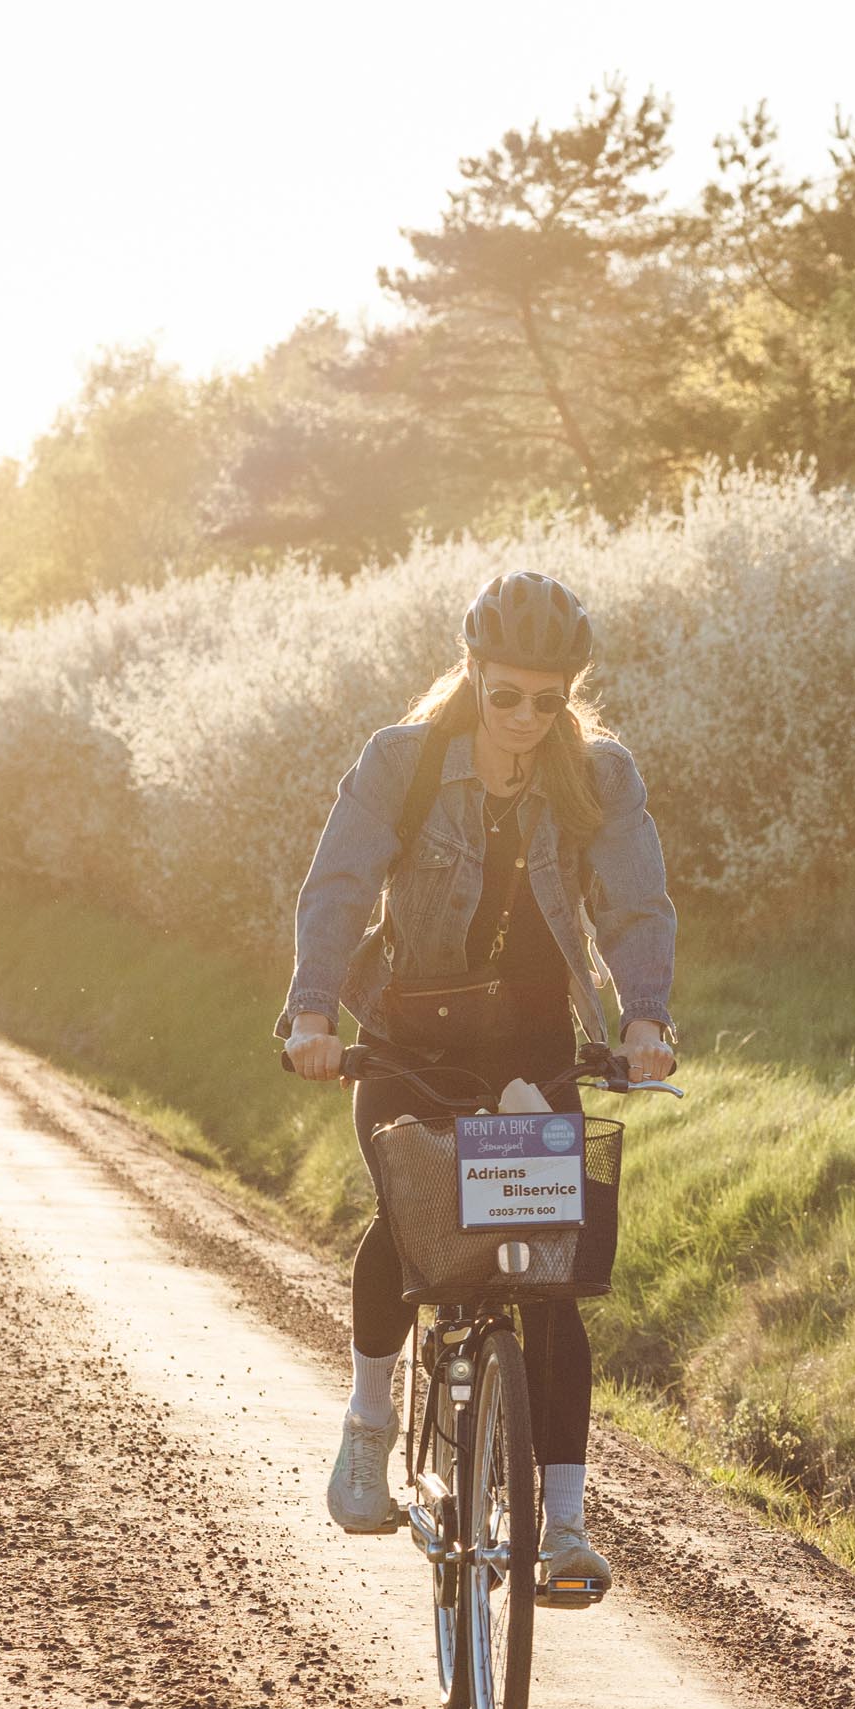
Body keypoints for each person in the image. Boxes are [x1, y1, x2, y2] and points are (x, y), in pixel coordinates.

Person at [280, 570, 677, 1605]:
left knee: (547, 1268)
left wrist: (644, 1020)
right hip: (409, 1037)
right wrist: (314, 1014)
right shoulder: (402, 763)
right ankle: (369, 1428)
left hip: (534, 1048)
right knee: (414, 1221)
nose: (526, 719)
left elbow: (638, 902)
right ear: (472, 675)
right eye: (506, 694)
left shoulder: (598, 776)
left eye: (548, 699)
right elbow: (337, 886)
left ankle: (565, 1526)